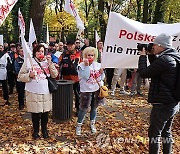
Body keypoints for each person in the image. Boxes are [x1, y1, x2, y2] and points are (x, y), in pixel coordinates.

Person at [138, 33, 180, 154]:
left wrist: (142, 56)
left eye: (155, 44)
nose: (153, 46)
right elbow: (157, 70)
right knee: (166, 132)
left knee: (154, 134)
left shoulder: (165, 59)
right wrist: (151, 56)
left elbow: (144, 73)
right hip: (172, 102)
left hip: (163, 104)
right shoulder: (173, 56)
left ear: (161, 45)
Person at [18, 44, 58, 139]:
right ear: (35, 52)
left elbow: (55, 75)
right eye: (39, 51)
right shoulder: (29, 62)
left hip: (46, 91)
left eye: (42, 51)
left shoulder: (47, 62)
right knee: (35, 113)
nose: (41, 53)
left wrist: (50, 63)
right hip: (33, 91)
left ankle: (44, 130)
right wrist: (29, 75)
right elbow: (20, 77)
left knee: (45, 113)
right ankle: (35, 131)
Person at [76, 47, 105, 135]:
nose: (90, 57)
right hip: (86, 90)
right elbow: (85, 76)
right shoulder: (81, 65)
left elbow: (101, 78)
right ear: (85, 55)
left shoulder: (98, 65)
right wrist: (87, 66)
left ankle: (92, 123)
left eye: (92, 55)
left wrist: (102, 72)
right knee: (83, 109)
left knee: (94, 108)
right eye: (88, 55)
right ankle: (79, 125)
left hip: (96, 89)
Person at [59, 40, 81, 115]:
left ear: (74, 45)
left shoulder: (78, 54)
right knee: (66, 96)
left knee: (78, 95)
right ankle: (66, 109)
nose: (70, 47)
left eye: (71, 45)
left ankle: (78, 109)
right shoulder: (63, 54)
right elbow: (58, 63)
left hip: (76, 79)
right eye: (68, 45)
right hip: (66, 79)